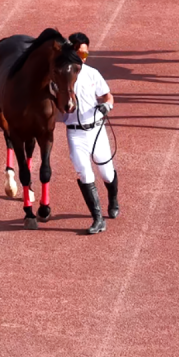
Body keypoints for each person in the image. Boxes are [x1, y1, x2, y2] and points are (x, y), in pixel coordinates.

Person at [62, 32, 117, 236]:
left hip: (96, 129)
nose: (83, 59)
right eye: (80, 54)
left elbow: (107, 96)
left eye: (86, 55)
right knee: (84, 173)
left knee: (107, 173)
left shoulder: (92, 73)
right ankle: (98, 219)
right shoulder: (62, 74)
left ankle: (113, 199)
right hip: (75, 133)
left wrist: (107, 107)